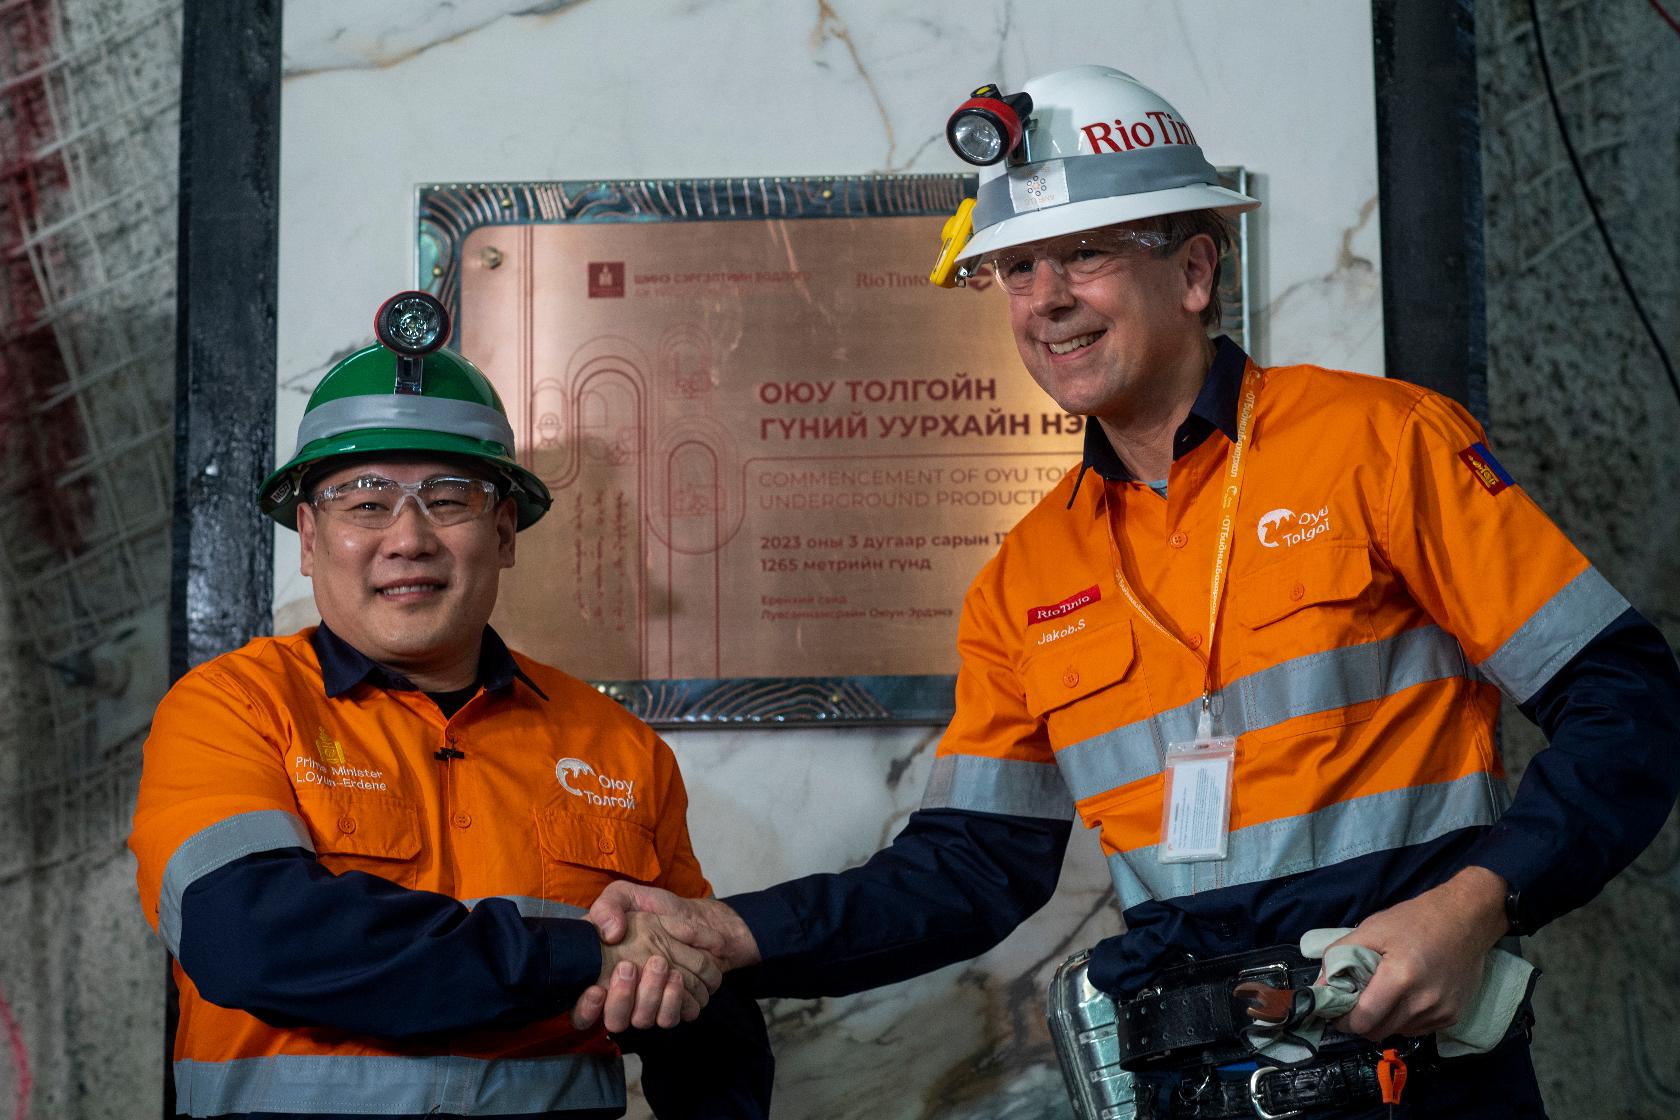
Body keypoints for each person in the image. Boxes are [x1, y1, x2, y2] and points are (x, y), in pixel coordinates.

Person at [573, 66, 1680, 1117]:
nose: (1048, 301)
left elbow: (1627, 700)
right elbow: (965, 869)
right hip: (1183, 1086)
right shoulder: (1025, 577)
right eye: (1019, 269)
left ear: (1194, 273)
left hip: (1418, 1077)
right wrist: (729, 932)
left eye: (1087, 254)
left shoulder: (1380, 445)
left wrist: (1476, 905)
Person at [129, 291, 767, 1120]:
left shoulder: (617, 748)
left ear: (504, 532)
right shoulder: (234, 709)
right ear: (311, 540)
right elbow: (251, 940)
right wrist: (583, 957)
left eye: (450, 498)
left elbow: (697, 1003)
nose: (409, 538)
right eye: (364, 501)